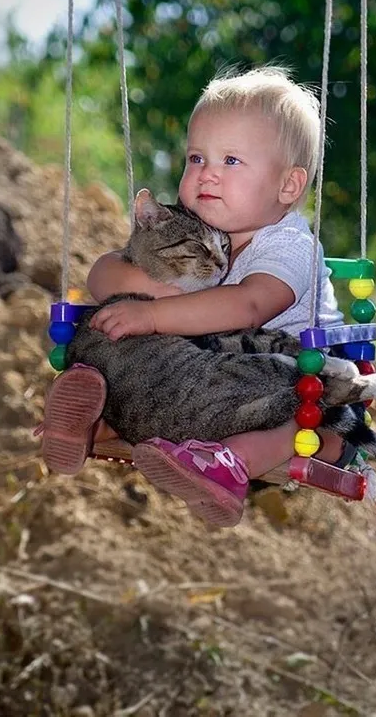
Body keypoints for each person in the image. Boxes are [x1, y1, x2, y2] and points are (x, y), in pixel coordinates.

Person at [41, 65, 354, 527]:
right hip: (216, 377)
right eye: (195, 158)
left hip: (304, 379)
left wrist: (153, 315)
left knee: (294, 417)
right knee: (125, 344)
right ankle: (94, 419)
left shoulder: (290, 245)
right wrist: (151, 292)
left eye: (230, 161)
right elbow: (105, 271)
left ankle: (228, 466)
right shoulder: (203, 228)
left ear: (288, 185)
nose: (206, 174)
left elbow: (249, 306)